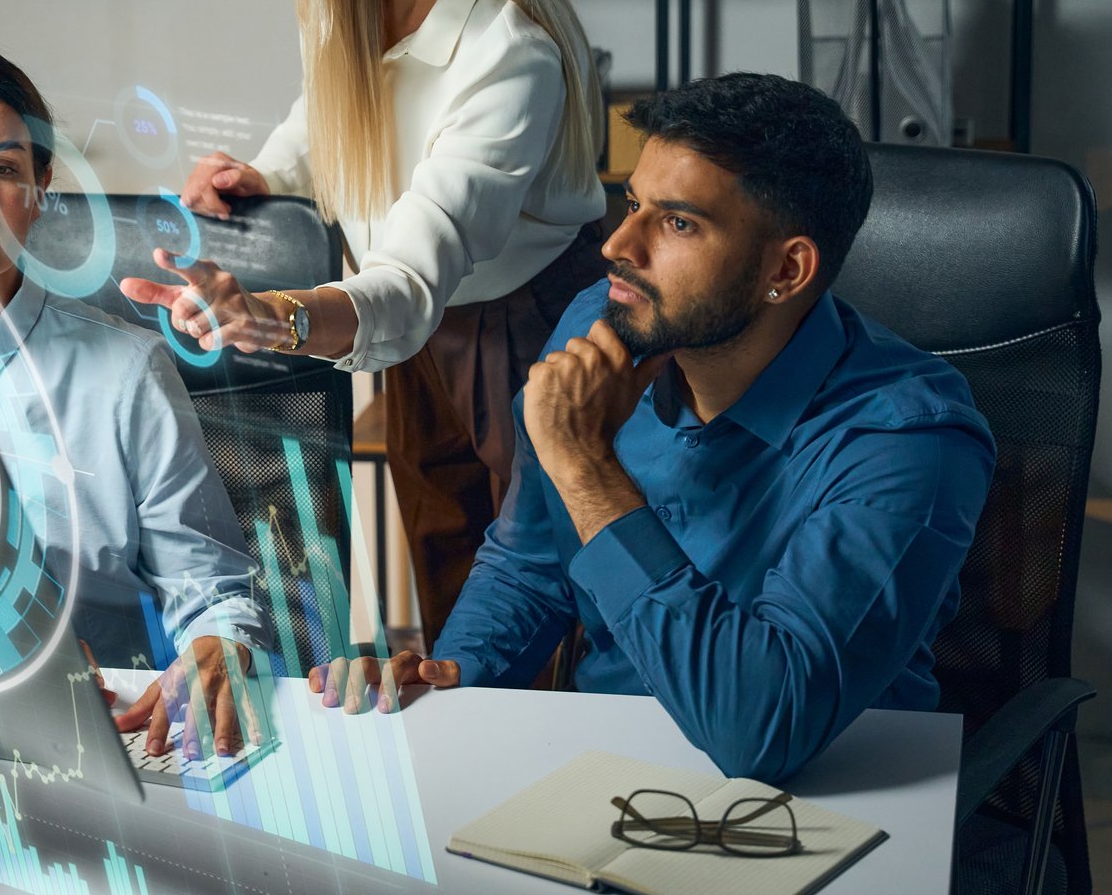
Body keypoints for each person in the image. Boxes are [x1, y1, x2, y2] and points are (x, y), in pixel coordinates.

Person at [307, 73, 996, 783]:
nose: (617, 245)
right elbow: (530, 567)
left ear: (787, 269)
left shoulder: (910, 438)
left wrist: (585, 467)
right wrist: (454, 681)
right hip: (600, 766)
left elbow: (763, 730)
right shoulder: (600, 325)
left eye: (678, 222)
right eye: (631, 203)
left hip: (826, 799)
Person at [121, 0, 607, 645]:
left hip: (532, 330)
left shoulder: (514, 56)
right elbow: (328, 124)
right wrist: (263, 171)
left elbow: (418, 266)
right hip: (415, 337)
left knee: (547, 613)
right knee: (444, 577)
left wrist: (284, 318)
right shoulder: (357, 3)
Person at [0, 39, 267, 757]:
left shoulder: (124, 374)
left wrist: (216, 648)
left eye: (3, 169)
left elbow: (212, 590)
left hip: (90, 740)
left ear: (40, 189)